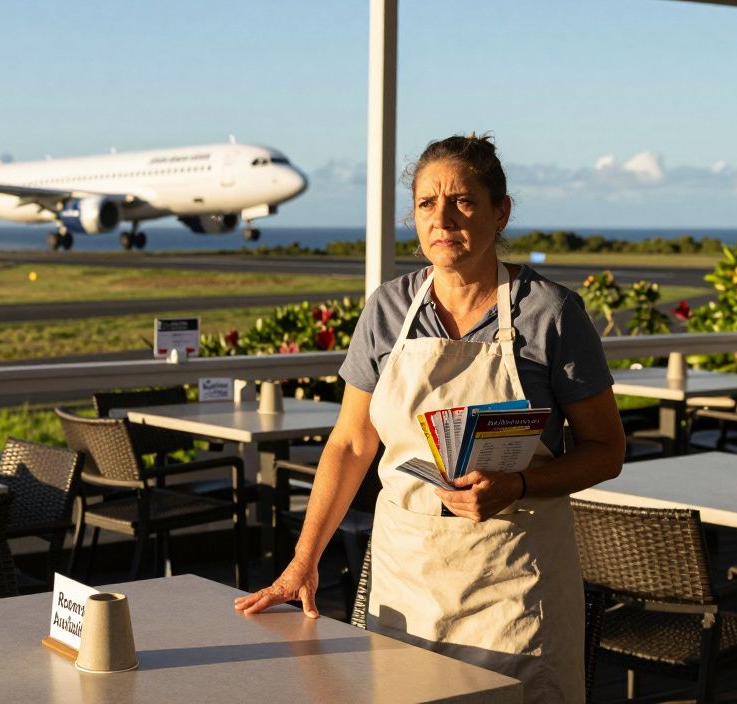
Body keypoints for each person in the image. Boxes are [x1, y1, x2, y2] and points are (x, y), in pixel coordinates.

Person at [234, 134, 625, 703]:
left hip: (515, 587)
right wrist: (302, 562)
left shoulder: (550, 313)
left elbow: (606, 449)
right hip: (406, 580)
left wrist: (517, 484)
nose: (442, 218)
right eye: (425, 204)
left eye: (463, 201)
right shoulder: (388, 309)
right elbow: (350, 444)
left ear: (501, 212)